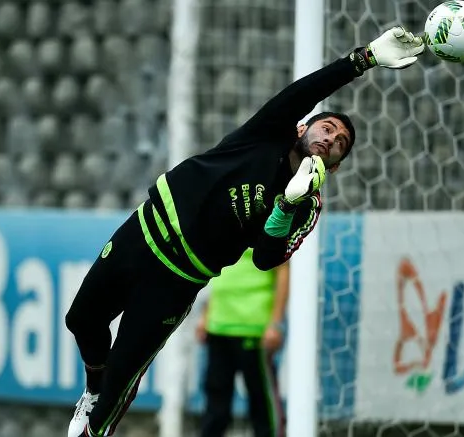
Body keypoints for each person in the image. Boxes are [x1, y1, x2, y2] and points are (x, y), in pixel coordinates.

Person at [65, 27, 425, 437]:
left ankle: (97, 423)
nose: (331, 138)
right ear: (302, 128)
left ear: (337, 166)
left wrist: (287, 204)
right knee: (81, 320)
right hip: (143, 233)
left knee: (121, 380)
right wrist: (365, 59)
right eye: (327, 128)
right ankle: (91, 390)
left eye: (340, 142)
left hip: (176, 279)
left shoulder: (307, 203)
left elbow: (267, 257)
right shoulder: (266, 134)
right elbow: (305, 91)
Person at [196, 250, 290, 437]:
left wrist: (276, 322)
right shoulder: (221, 223)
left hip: (255, 328)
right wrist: (206, 314)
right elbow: (219, 273)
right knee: (215, 408)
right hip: (219, 326)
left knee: (262, 406)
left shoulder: (269, 223)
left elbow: (283, 271)